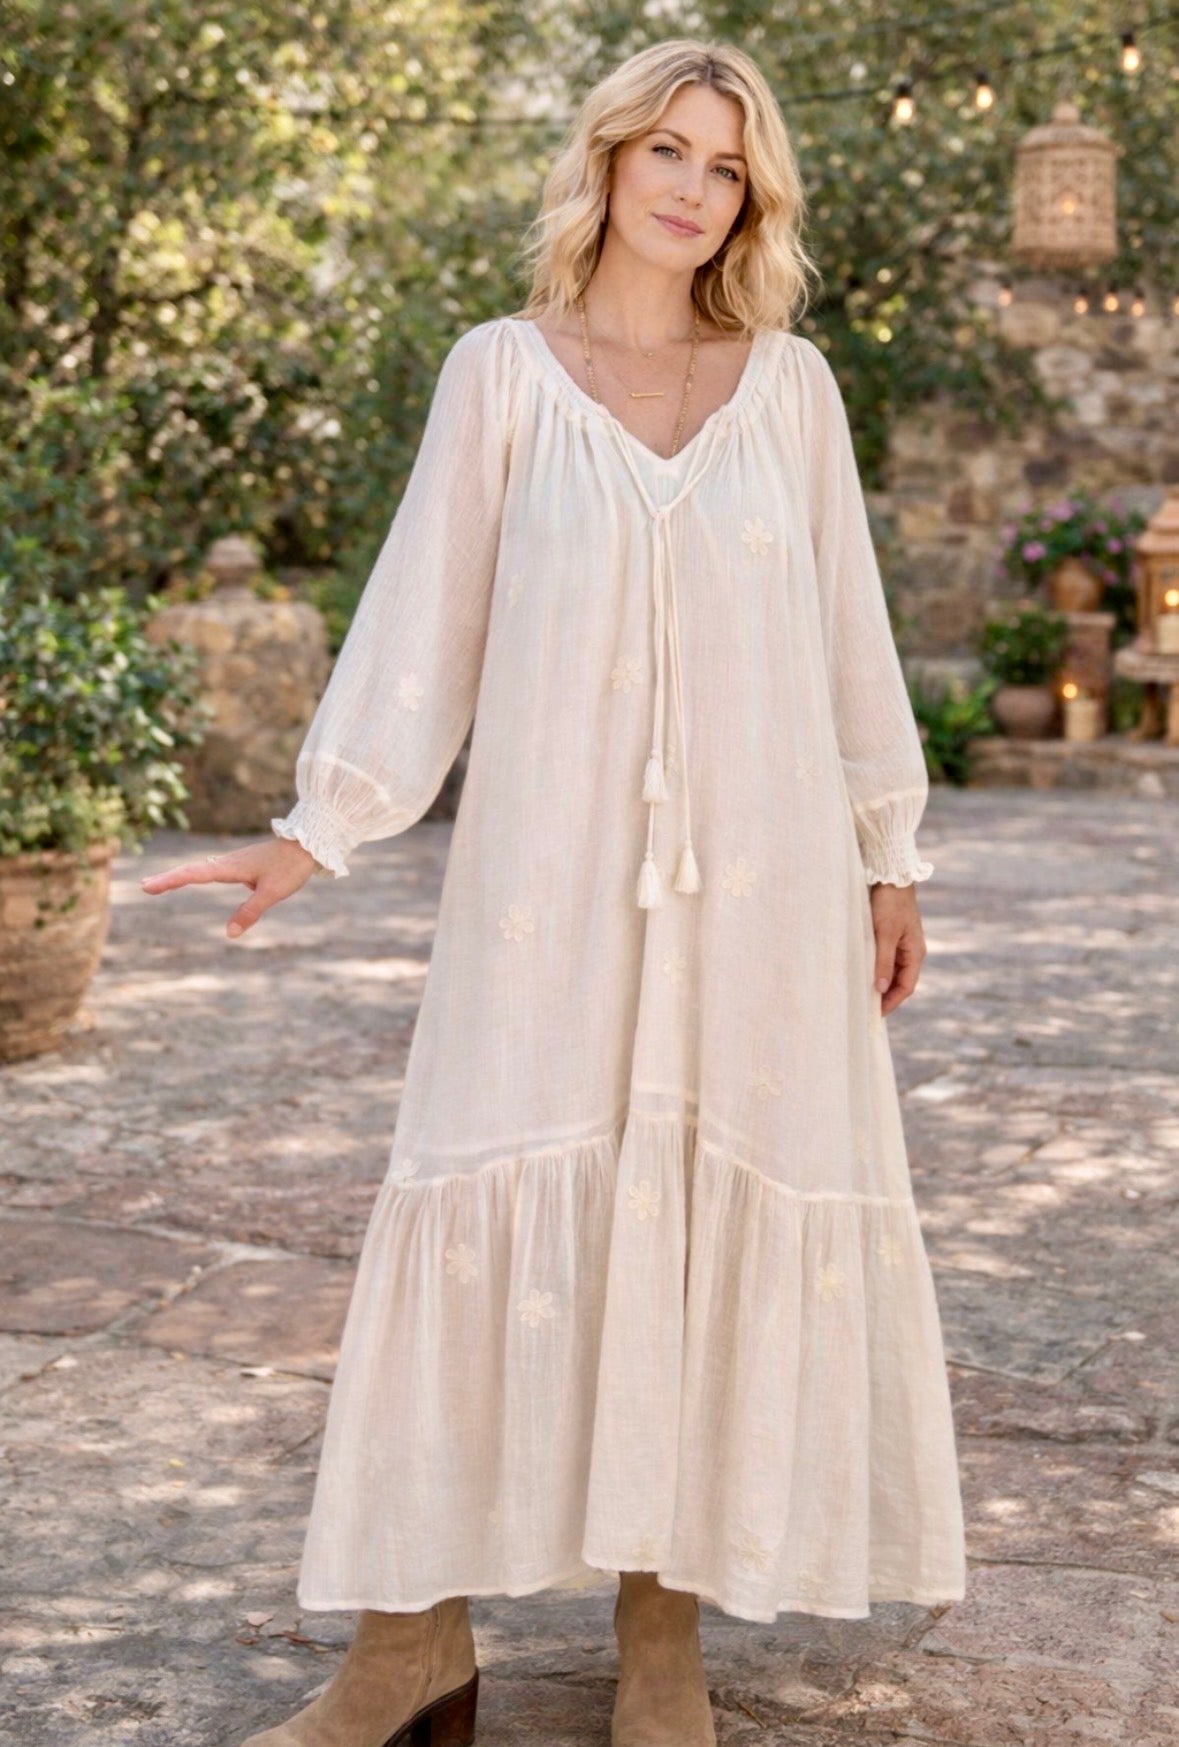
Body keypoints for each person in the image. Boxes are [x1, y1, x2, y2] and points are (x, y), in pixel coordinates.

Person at [141, 35, 966, 1747]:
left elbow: (848, 640)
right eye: (667, 149)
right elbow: (422, 622)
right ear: (604, 160)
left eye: (725, 166)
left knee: (699, 1217)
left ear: (752, 200)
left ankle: (663, 1645)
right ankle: (407, 1646)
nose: (692, 187)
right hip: (546, 891)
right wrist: (317, 829)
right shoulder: (501, 375)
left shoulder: (792, 390)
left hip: (760, 895)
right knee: (486, 1187)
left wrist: (889, 855)